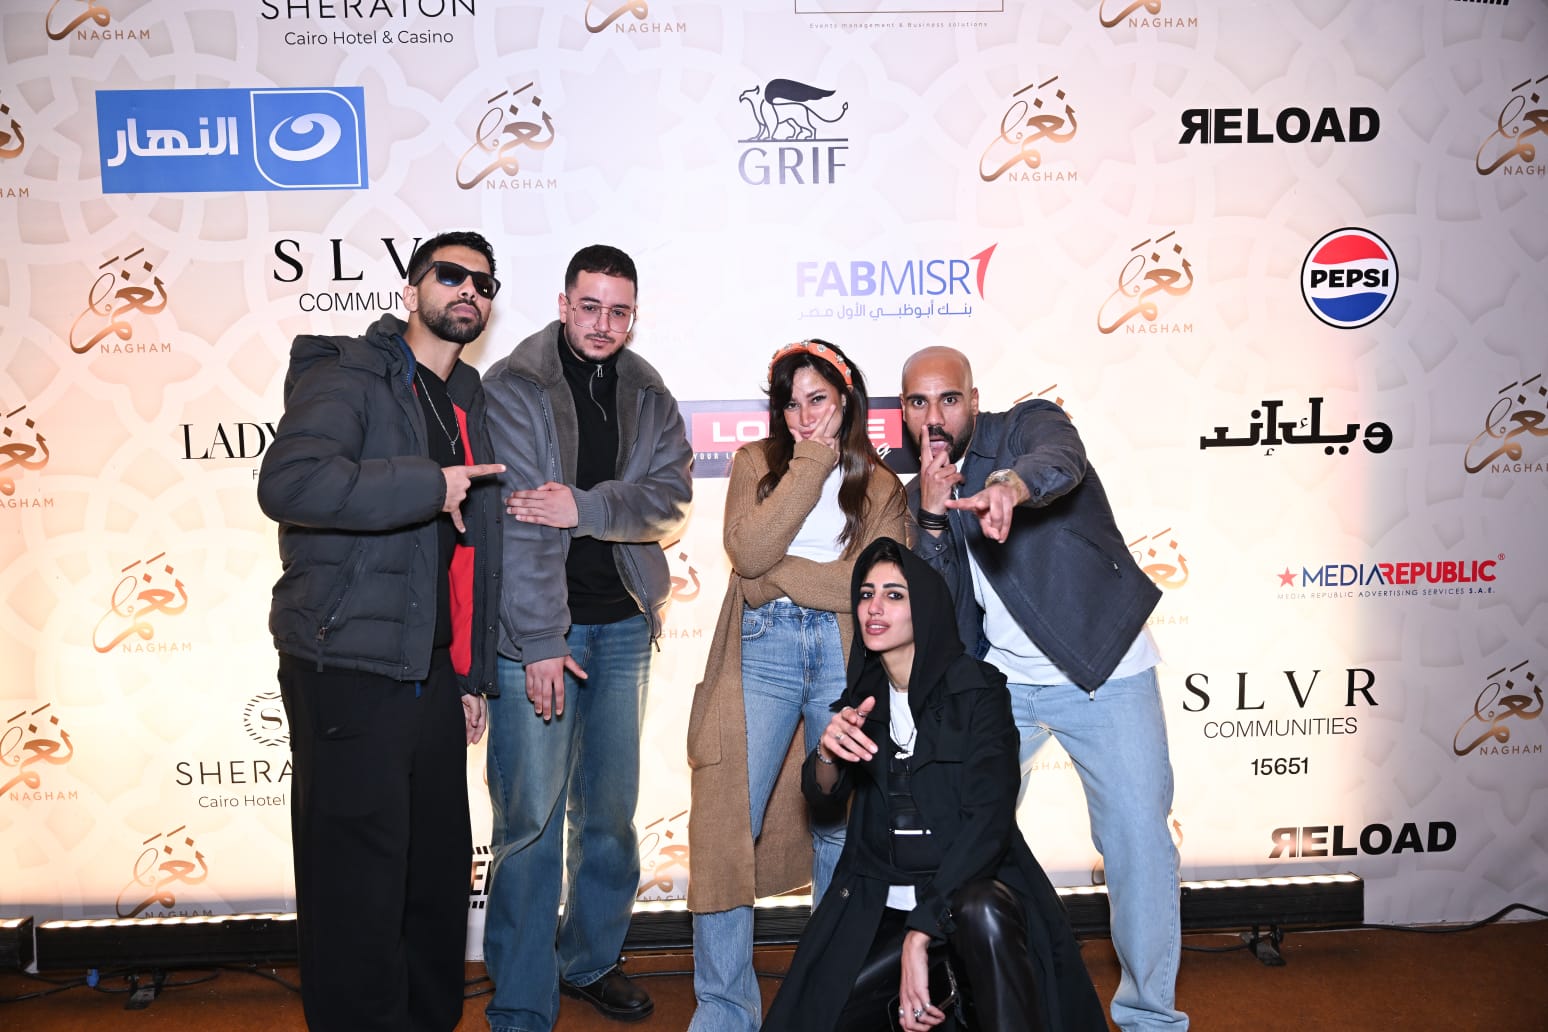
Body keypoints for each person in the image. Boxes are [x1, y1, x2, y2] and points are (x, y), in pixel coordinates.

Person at [258, 230, 505, 1031]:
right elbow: (291, 482)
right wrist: (428, 483)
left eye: (484, 283)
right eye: (451, 275)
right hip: (347, 665)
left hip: (428, 671)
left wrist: (468, 672)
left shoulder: (466, 398)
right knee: (355, 892)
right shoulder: (348, 374)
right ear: (410, 291)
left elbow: (467, 553)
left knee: (434, 880)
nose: (468, 290)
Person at [898, 346, 1184, 1031]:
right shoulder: (914, 493)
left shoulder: (1025, 426)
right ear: (902, 411)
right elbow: (938, 608)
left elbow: (1061, 460)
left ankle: (1150, 1020)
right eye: (918, 402)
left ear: (974, 400)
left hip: (1102, 671)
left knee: (1139, 846)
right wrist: (932, 520)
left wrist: (1008, 486)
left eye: (949, 399)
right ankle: (974, 1002)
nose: (935, 417)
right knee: (956, 832)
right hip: (1002, 685)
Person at [762, 537, 1107, 1032]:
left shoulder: (979, 691)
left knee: (982, 908)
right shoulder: (861, 702)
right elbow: (823, 797)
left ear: (923, 607)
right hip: (881, 908)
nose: (874, 607)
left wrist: (921, 932)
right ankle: (950, 997)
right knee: (819, 1014)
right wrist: (826, 753)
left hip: (965, 906)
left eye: (894, 595)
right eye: (866, 594)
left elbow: (989, 824)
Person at [480, 244, 693, 1032]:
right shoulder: (514, 385)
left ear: (633, 315)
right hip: (539, 636)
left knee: (608, 816)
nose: (604, 323)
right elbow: (522, 523)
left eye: (619, 311)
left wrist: (587, 507)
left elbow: (670, 503)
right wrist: (541, 640)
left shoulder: (650, 393)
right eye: (590, 306)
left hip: (624, 627)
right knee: (529, 824)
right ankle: (521, 998)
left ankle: (591, 961)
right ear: (564, 303)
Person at [687, 340, 908, 1032]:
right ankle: (725, 1013)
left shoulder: (880, 485)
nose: (804, 416)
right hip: (762, 648)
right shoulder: (759, 463)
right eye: (791, 403)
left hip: (845, 652)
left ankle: (827, 1001)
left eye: (818, 400)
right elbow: (748, 552)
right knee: (726, 826)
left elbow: (872, 585)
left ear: (846, 400)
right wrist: (810, 463)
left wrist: (779, 577)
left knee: (840, 824)